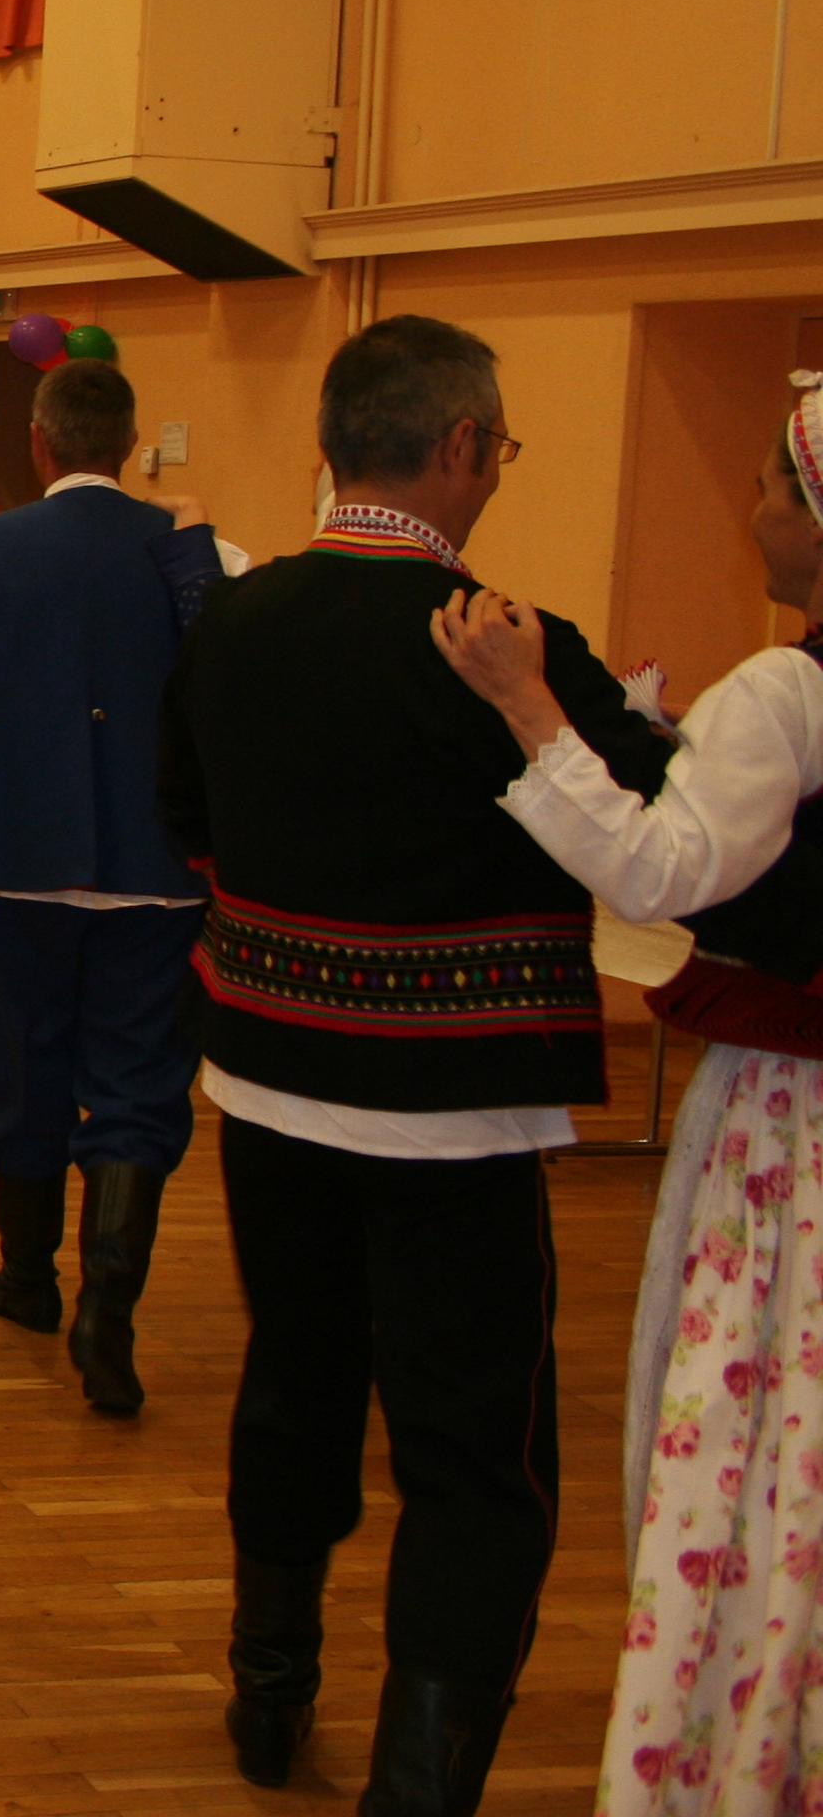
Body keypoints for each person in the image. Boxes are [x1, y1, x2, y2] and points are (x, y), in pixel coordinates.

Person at [162, 314, 668, 1812]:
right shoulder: (512, 642)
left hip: (266, 1078)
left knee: (295, 1379)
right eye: (498, 448)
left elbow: (188, 817)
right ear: (457, 445)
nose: (496, 473)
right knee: (475, 1458)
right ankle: (418, 1786)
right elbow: (655, 824)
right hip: (456, 1108)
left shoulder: (233, 619)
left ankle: (269, 1692)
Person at [428, 371, 823, 1815]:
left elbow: (662, 872)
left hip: (794, 1125)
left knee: (766, 1433)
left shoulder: (788, 691)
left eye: (772, 490)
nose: (757, 515)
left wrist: (530, 705)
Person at [0, 359, 241, 1419]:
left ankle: (28, 1277)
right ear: (129, 446)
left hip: (22, 855)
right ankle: (109, 1305)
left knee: (26, 1069)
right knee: (138, 1083)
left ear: (39, 442)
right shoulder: (201, 555)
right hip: (160, 867)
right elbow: (235, 680)